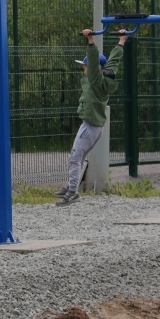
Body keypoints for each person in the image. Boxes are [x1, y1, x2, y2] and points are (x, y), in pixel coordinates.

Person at [55, 28, 129, 206]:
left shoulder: (95, 80)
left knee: (75, 158)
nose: (83, 68)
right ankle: (71, 187)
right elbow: (113, 61)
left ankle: (72, 192)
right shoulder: (106, 77)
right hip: (94, 127)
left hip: (89, 127)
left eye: (85, 65)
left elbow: (94, 61)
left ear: (94, 68)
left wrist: (90, 41)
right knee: (79, 158)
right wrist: (121, 41)